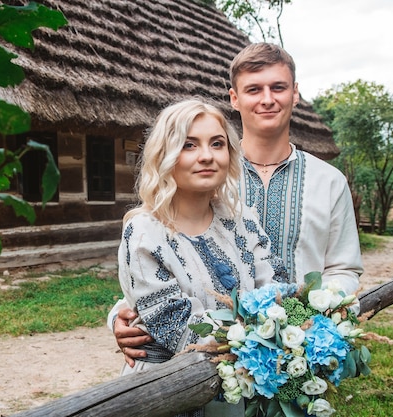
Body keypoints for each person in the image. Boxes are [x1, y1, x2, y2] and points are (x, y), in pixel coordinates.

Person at [110, 42, 364, 367]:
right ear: (235, 97)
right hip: (207, 368)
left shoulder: (328, 181)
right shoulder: (213, 176)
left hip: (297, 351)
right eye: (254, 89)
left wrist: (312, 329)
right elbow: (158, 270)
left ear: (295, 93)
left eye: (278, 87)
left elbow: (342, 268)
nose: (267, 99)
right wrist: (122, 314)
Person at [116, 97, 288, 416]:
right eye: (189, 145)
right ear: (165, 155)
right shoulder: (144, 233)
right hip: (169, 393)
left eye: (217, 143)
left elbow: (280, 291)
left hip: (243, 386)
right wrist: (270, 328)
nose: (206, 156)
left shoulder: (243, 222)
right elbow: (183, 332)